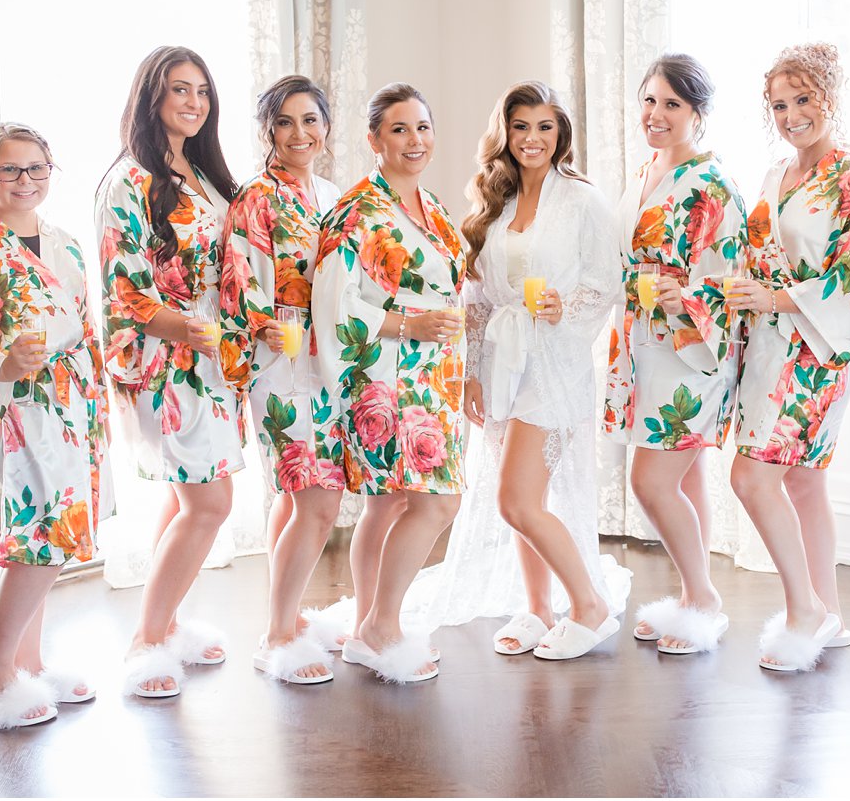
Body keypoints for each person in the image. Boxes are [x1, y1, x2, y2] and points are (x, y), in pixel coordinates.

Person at [427, 80, 628, 660]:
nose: (533, 138)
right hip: (502, 358)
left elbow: (605, 281)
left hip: (555, 362)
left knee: (516, 499)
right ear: (505, 133)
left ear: (560, 132)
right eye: (521, 127)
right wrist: (472, 372)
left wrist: (568, 308)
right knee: (518, 494)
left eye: (545, 126)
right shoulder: (496, 201)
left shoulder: (583, 200)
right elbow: (479, 297)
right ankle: (538, 609)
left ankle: (589, 605)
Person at [0, 124, 112, 728]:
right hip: (13, 409)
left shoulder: (63, 244)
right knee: (42, 533)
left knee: (52, 535)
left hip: (70, 402)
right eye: (9, 170)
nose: (24, 181)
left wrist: (94, 400)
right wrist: (2, 362)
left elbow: (85, 326)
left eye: (36, 168)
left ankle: (27, 665)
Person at [725, 43, 850, 671]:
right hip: (767, 344)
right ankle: (832, 614)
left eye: (803, 100)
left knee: (751, 477)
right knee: (804, 482)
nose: (791, 115)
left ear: (830, 99)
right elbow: (754, 254)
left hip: (815, 348)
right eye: (779, 105)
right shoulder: (774, 178)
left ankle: (804, 610)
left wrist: (779, 296)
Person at [94, 45, 242, 698]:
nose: (193, 102)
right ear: (150, 98)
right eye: (179, 89)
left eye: (203, 91)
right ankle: (146, 640)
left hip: (213, 356)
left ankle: (168, 623)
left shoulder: (205, 174)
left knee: (187, 495)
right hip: (166, 357)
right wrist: (192, 329)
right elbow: (123, 291)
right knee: (211, 502)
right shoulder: (128, 180)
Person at [310, 82, 467, 683]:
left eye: (423, 127)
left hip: (434, 376)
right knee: (437, 503)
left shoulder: (432, 207)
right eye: (400, 129)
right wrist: (408, 323)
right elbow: (334, 303)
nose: (415, 140)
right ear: (374, 139)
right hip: (388, 377)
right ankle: (381, 626)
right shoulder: (358, 211)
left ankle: (365, 627)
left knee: (387, 504)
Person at [604, 53, 748, 655]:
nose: (656, 115)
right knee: (685, 477)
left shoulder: (713, 186)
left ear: (698, 114)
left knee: (651, 480)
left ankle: (704, 595)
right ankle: (693, 600)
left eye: (672, 104)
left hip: (691, 349)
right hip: (643, 344)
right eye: (650, 101)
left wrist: (683, 293)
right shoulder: (645, 173)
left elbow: (737, 277)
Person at [220, 75, 345, 685]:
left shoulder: (330, 192)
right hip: (281, 365)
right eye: (286, 122)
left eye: (311, 120)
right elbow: (238, 279)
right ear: (268, 129)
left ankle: (288, 617)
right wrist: (264, 323)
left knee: (296, 498)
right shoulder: (255, 198)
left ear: (327, 126)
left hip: (331, 367)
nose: (300, 134)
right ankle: (276, 636)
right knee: (320, 503)